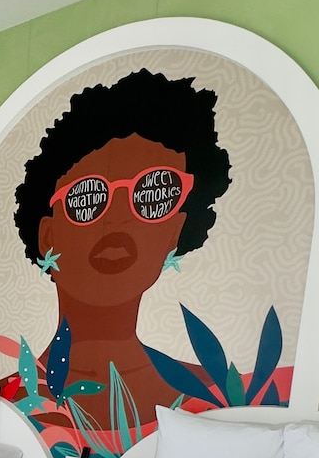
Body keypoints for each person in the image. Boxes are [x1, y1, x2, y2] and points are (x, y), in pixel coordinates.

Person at [13, 68, 231, 427]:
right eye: (88, 197)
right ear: (48, 236)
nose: (117, 218)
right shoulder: (5, 401)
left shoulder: (218, 397)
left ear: (175, 231)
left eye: (153, 194)